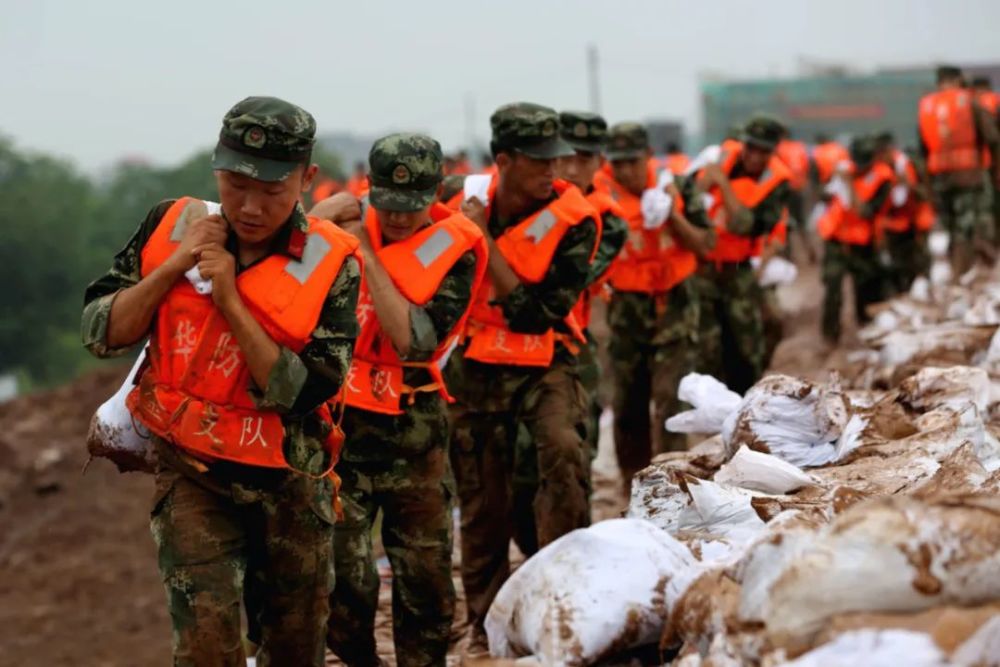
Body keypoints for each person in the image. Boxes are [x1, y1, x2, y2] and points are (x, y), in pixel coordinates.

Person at [81, 96, 362, 666]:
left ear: (306, 179)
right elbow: (100, 331)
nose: (251, 206)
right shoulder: (171, 225)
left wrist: (230, 297)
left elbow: (302, 393)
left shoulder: (334, 264)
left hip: (290, 482)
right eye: (236, 184)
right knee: (206, 647)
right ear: (216, 168)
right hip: (194, 474)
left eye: (273, 191)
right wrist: (173, 266)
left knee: (294, 647)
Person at [313, 134, 487, 667]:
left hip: (415, 432)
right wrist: (317, 220)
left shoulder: (455, 247)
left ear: (434, 195)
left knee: (426, 582)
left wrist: (363, 252)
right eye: (386, 204)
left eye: (411, 208)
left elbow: (414, 339)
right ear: (371, 189)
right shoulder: (335, 224)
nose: (398, 218)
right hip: (340, 433)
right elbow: (278, 271)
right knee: (346, 580)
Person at [444, 102, 599, 655]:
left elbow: (537, 312)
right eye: (538, 162)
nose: (551, 171)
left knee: (561, 452)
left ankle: (567, 597)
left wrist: (480, 239)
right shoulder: (453, 201)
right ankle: (484, 620)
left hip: (546, 359)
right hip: (477, 363)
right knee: (482, 494)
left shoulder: (576, 220)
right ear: (504, 160)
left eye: (554, 159)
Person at [597, 122, 713, 484]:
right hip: (627, 309)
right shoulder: (599, 195)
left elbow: (706, 244)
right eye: (618, 163)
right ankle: (632, 482)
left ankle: (670, 480)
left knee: (669, 399)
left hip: (675, 307)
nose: (626, 171)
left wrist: (672, 216)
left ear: (648, 156)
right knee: (629, 403)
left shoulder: (677, 187)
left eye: (633, 161)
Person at [691, 114, 791, 393]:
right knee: (705, 345)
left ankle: (747, 400)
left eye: (763, 151)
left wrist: (721, 185)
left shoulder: (777, 182)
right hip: (702, 268)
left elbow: (746, 226)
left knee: (747, 344)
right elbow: (685, 201)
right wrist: (702, 185)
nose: (755, 157)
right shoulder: (718, 158)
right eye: (751, 148)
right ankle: (708, 408)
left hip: (739, 269)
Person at [554, 110, 628, 462]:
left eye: (583, 158)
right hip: (500, 346)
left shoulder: (608, 220)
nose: (571, 168)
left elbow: (573, 279)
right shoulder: (520, 201)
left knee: (579, 445)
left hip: (568, 338)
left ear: (599, 161)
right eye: (565, 156)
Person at [918, 65, 1000, 274]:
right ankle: (968, 272)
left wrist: (928, 189)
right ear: (958, 79)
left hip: (939, 179)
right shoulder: (969, 101)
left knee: (949, 227)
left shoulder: (926, 106)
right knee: (970, 227)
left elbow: (922, 153)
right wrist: (996, 172)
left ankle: (951, 273)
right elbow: (992, 138)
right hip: (969, 176)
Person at [817, 135, 894, 342]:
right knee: (833, 287)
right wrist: (834, 181)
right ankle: (829, 337)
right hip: (836, 238)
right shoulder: (842, 169)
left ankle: (866, 332)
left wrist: (849, 184)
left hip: (863, 242)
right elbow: (824, 195)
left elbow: (865, 212)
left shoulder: (882, 178)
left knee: (865, 289)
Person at [875, 131, 933, 294]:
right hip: (894, 225)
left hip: (914, 221)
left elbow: (925, 194)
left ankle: (924, 293)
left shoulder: (909, 164)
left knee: (920, 263)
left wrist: (908, 184)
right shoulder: (880, 170)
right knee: (898, 267)